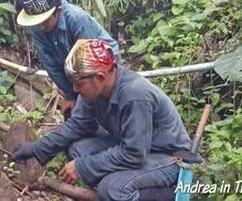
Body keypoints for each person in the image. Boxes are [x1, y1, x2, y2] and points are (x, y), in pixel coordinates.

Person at [12, 39, 192, 201]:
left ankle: (169, 194)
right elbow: (78, 125)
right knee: (78, 149)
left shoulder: (135, 95)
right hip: (135, 145)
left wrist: (83, 167)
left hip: (168, 156)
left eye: (79, 83)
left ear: (100, 77)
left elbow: (134, 154)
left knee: (112, 188)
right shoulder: (93, 91)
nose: (74, 88)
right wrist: (37, 148)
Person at [16, 0, 119, 115]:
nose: (41, 26)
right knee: (75, 114)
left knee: (105, 108)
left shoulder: (76, 18)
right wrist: (70, 95)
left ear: (57, 11)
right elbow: (51, 65)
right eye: (37, 23)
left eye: (45, 21)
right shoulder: (37, 29)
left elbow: (91, 63)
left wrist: (84, 100)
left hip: (103, 65)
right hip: (73, 71)